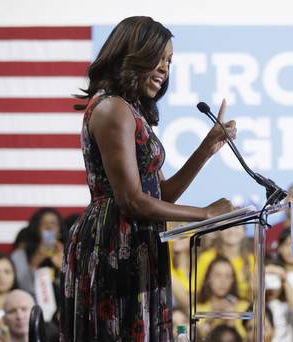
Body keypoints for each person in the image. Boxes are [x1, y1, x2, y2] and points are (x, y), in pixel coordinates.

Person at [60, 16, 236, 341]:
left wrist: (206, 149)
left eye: (169, 61)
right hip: (113, 243)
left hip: (140, 242)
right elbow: (131, 200)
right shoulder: (111, 109)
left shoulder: (132, 110)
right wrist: (205, 215)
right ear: (134, 52)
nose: (165, 68)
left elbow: (162, 194)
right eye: (159, 57)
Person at [196, 256, 249, 338]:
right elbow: (199, 337)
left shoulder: (245, 307)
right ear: (208, 278)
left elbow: (249, 337)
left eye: (228, 276)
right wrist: (212, 319)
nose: (223, 281)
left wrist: (230, 322)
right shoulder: (196, 310)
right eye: (217, 275)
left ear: (233, 280)